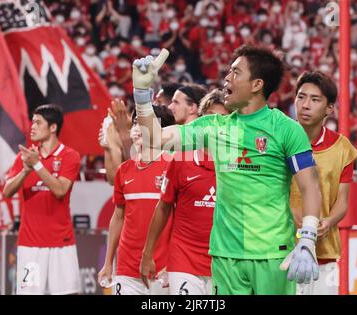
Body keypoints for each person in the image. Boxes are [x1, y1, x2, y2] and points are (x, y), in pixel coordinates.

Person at [132, 45, 322, 295]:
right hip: (225, 256)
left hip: (273, 254)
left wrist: (308, 238)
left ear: (256, 84)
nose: (226, 78)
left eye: (235, 72)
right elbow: (152, 138)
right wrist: (142, 94)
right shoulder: (213, 127)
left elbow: (310, 185)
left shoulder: (287, 129)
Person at [140, 89, 230, 295]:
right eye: (210, 118)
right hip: (185, 260)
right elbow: (163, 207)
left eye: (223, 118)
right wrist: (148, 254)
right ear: (201, 121)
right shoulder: (181, 160)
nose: (216, 125)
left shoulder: (240, 165)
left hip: (225, 262)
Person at [290, 71, 357, 295]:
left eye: (314, 99)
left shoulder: (342, 148)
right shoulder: (278, 140)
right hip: (282, 248)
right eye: (301, 97)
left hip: (326, 252)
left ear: (330, 108)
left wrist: (328, 222)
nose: (305, 105)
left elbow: (343, 199)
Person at [97, 105, 176, 295]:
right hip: (126, 268)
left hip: (162, 269)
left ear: (160, 131)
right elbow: (118, 217)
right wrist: (108, 263)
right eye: (134, 123)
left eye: (143, 123)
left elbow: (181, 221)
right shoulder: (124, 170)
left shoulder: (174, 166)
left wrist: (174, 262)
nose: (136, 128)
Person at [3, 104, 81, 295]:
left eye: (38, 122)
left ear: (53, 127)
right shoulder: (26, 158)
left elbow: (61, 189)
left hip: (61, 243)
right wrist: (25, 170)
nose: (33, 127)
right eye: (32, 122)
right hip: (30, 246)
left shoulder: (70, 156)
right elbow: (7, 191)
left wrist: (37, 165)